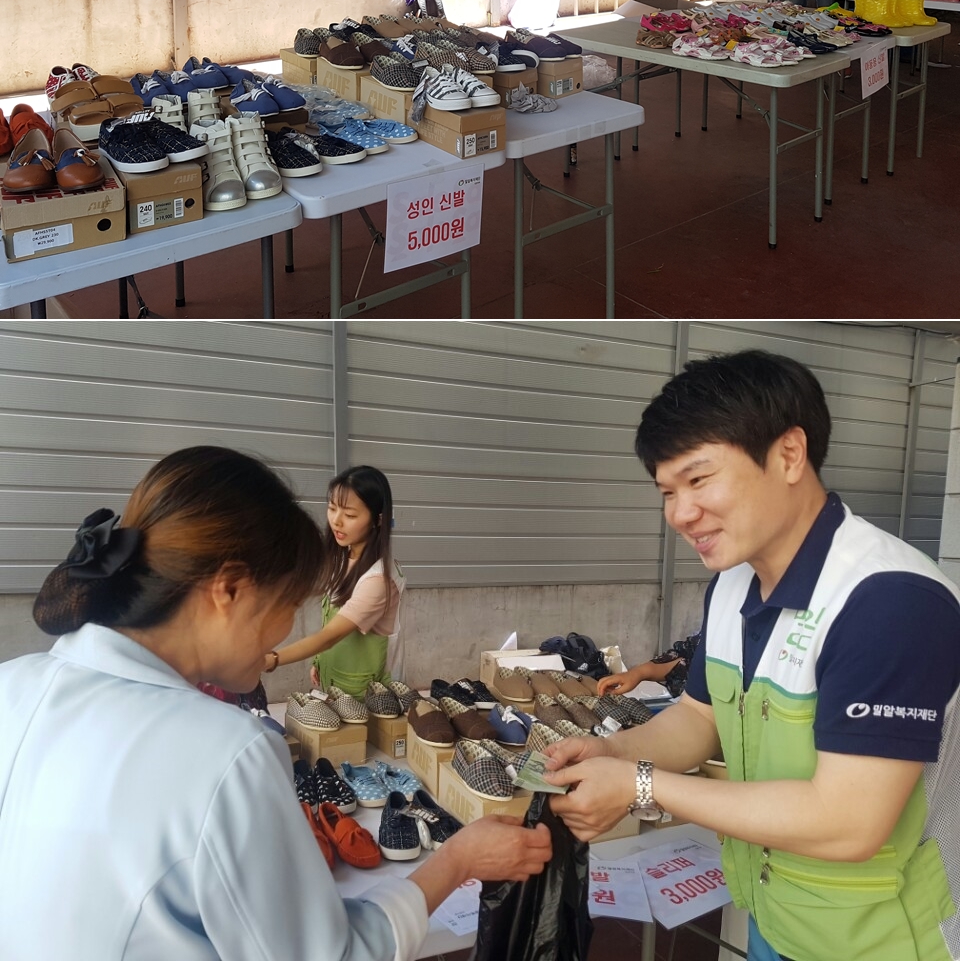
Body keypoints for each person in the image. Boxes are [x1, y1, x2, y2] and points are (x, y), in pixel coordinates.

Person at [0, 446, 551, 959]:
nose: (286, 626)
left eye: (349, 513)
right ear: (229, 589)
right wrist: (458, 859)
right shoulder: (228, 753)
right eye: (287, 603)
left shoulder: (13, 685)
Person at [545, 351, 960, 961]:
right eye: (667, 491)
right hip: (776, 915)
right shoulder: (732, 584)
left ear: (789, 454)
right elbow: (699, 718)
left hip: (885, 940)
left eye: (698, 480)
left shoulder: (889, 601)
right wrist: (615, 752)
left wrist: (639, 784)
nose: (680, 514)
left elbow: (849, 823)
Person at [264, 465, 405, 697]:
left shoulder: (378, 579)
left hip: (369, 696)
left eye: (350, 515)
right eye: (332, 508)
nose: (336, 521)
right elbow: (331, 619)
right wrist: (320, 660)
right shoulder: (343, 556)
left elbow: (330, 636)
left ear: (378, 519)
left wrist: (272, 659)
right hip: (339, 683)